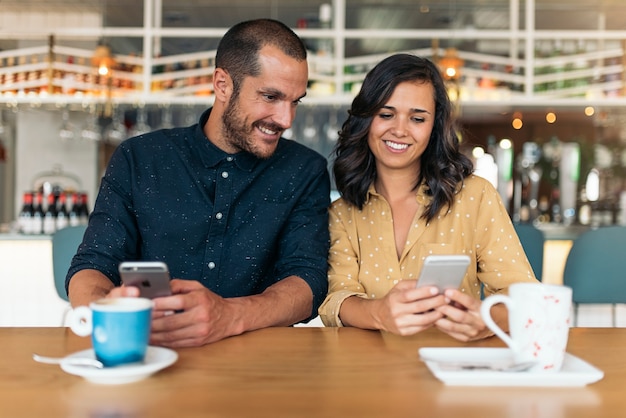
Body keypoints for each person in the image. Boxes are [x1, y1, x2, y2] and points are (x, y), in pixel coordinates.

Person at [67, 19, 331, 347]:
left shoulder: (305, 170)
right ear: (222, 84)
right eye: (270, 97)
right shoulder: (139, 157)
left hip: (260, 365)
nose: (286, 119)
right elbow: (93, 264)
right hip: (149, 354)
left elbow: (308, 280)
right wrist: (109, 314)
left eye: (295, 101)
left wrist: (230, 315)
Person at [318, 54, 538, 341]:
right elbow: (336, 300)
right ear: (366, 120)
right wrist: (379, 313)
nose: (399, 129)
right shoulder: (342, 213)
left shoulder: (475, 196)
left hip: (454, 370)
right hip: (368, 374)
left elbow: (525, 295)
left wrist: (485, 320)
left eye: (417, 118)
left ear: (434, 127)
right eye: (386, 114)